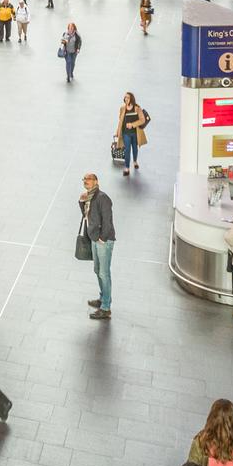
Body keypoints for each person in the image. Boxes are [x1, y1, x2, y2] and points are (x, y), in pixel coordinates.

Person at [80, 173, 115, 321]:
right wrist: (81, 201)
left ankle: (106, 308)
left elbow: (107, 220)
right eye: (84, 180)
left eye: (89, 180)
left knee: (104, 273)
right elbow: (86, 216)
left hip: (103, 241)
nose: (86, 182)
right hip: (94, 238)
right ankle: (103, 298)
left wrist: (102, 237)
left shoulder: (102, 198)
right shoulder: (89, 197)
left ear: (96, 182)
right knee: (97, 270)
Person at [116, 92, 148, 176]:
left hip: (135, 133)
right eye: (125, 97)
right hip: (125, 133)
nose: (126, 99)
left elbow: (142, 120)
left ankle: (135, 161)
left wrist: (132, 125)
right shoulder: (122, 108)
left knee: (135, 148)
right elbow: (120, 121)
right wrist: (117, 131)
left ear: (132, 99)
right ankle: (127, 168)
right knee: (127, 149)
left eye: (128, 98)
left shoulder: (137, 108)